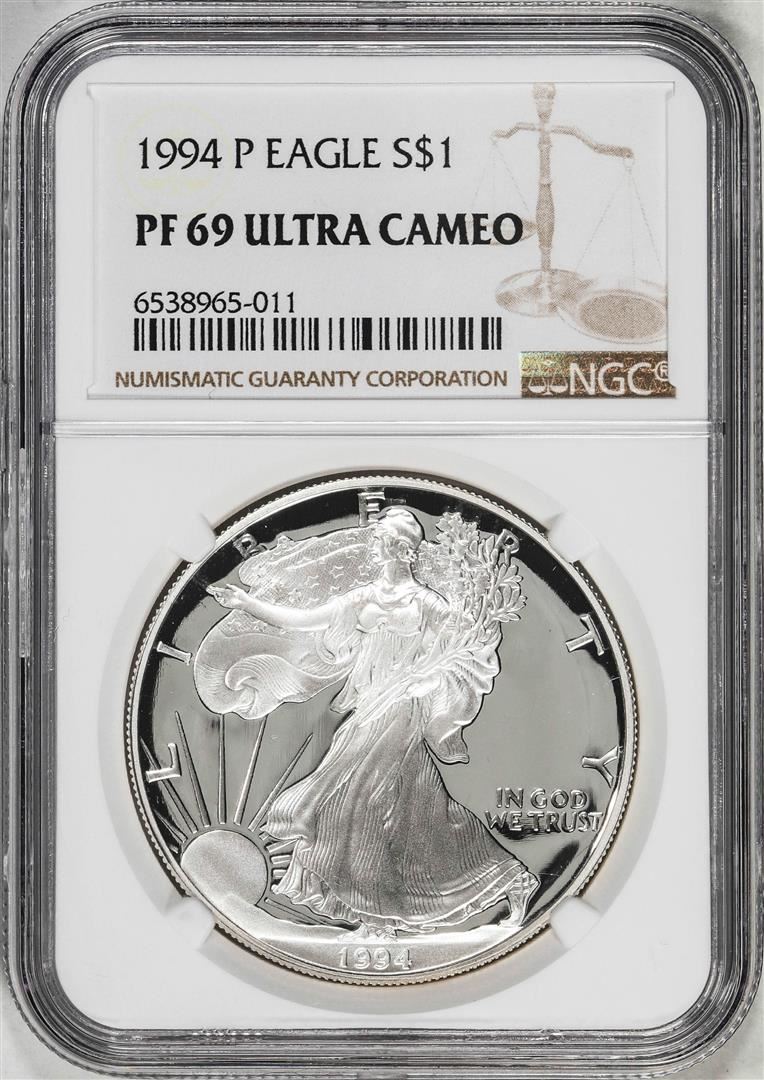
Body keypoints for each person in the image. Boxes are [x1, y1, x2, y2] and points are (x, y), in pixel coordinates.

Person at [208, 507, 538, 936]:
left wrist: (425, 678)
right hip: (368, 707)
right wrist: (247, 603)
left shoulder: (428, 604)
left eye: (383, 541)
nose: (376, 547)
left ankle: (379, 915)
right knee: (416, 810)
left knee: (362, 799)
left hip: (402, 710)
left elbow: (464, 650)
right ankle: (502, 881)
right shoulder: (363, 598)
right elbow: (305, 621)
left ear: (401, 549)